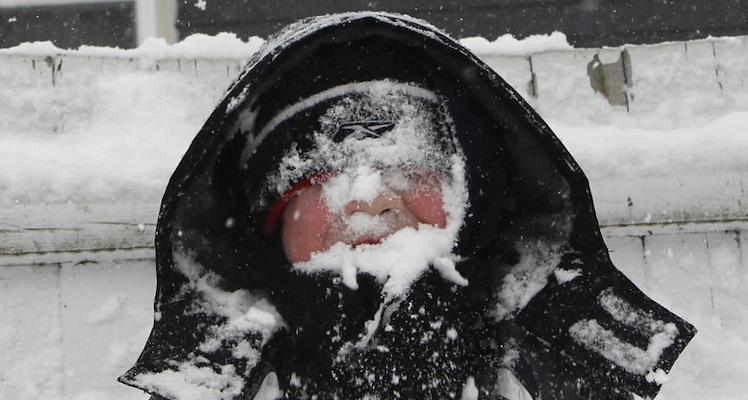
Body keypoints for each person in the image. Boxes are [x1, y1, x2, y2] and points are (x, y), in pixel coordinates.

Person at [120, 12, 695, 400]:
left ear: (470, 203)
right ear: (268, 225)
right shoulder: (218, 383)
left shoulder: (558, 376)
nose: (370, 197)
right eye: (321, 181)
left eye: (410, 171)